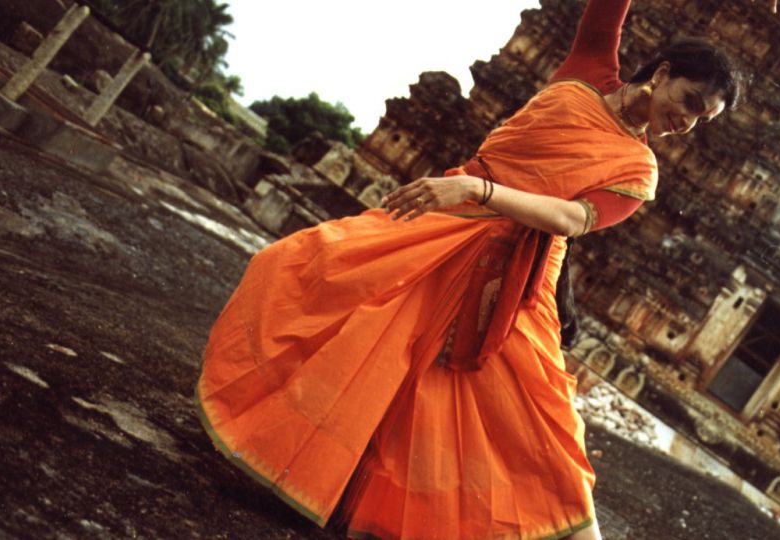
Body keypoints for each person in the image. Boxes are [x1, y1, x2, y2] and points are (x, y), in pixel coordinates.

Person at [195, 0, 745, 538]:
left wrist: (475, 188)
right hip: (444, 220)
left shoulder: (638, 169)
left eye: (702, 118)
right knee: (323, 292)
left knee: (532, 422)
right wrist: (465, 191)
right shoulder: (587, 71)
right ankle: (327, 477)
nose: (686, 121)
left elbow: (570, 218)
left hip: (514, 273)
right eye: (689, 100)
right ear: (664, 72)